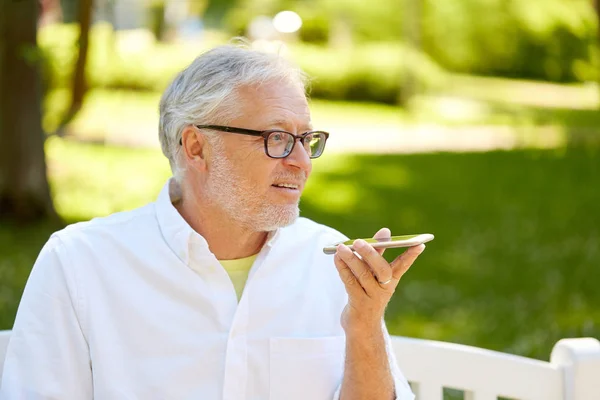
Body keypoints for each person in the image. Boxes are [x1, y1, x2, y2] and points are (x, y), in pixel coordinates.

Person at [0, 43, 425, 399]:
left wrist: (364, 326)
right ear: (196, 147)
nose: (300, 162)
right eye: (276, 138)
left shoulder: (333, 262)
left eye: (305, 139)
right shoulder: (80, 263)